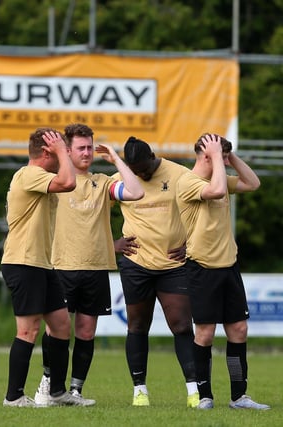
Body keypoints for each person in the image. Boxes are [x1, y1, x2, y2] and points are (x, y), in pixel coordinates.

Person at [34, 123, 144, 407]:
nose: (87, 152)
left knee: (86, 332)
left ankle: (75, 390)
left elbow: (136, 192)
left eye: (89, 147)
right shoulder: (55, 181)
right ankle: (47, 383)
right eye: (80, 148)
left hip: (95, 268)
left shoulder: (103, 182)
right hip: (61, 265)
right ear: (67, 150)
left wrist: (117, 159)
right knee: (56, 330)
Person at [176, 133, 269, 410]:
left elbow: (253, 183)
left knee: (239, 330)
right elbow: (216, 190)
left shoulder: (221, 176)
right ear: (206, 156)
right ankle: (205, 396)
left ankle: (239, 396)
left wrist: (229, 157)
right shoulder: (188, 182)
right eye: (219, 156)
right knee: (204, 333)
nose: (225, 163)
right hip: (202, 269)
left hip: (229, 267)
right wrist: (218, 157)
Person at [112, 136, 198, 407]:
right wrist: (110, 243)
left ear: (152, 155)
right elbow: (89, 214)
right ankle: (140, 391)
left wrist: (192, 244)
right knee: (137, 326)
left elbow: (203, 211)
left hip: (173, 265)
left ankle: (194, 392)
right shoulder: (120, 178)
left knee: (182, 325)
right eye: (134, 170)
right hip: (136, 264)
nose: (140, 175)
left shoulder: (180, 175)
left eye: (144, 169)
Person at [1, 127, 77, 407]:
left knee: (59, 326)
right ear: (47, 152)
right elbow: (69, 183)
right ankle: (14, 397)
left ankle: (56, 392)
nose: (65, 155)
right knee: (28, 331)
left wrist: (62, 152)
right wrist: (61, 152)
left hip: (42, 264)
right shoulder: (29, 174)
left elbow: (67, 180)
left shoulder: (41, 177)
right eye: (60, 150)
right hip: (23, 262)